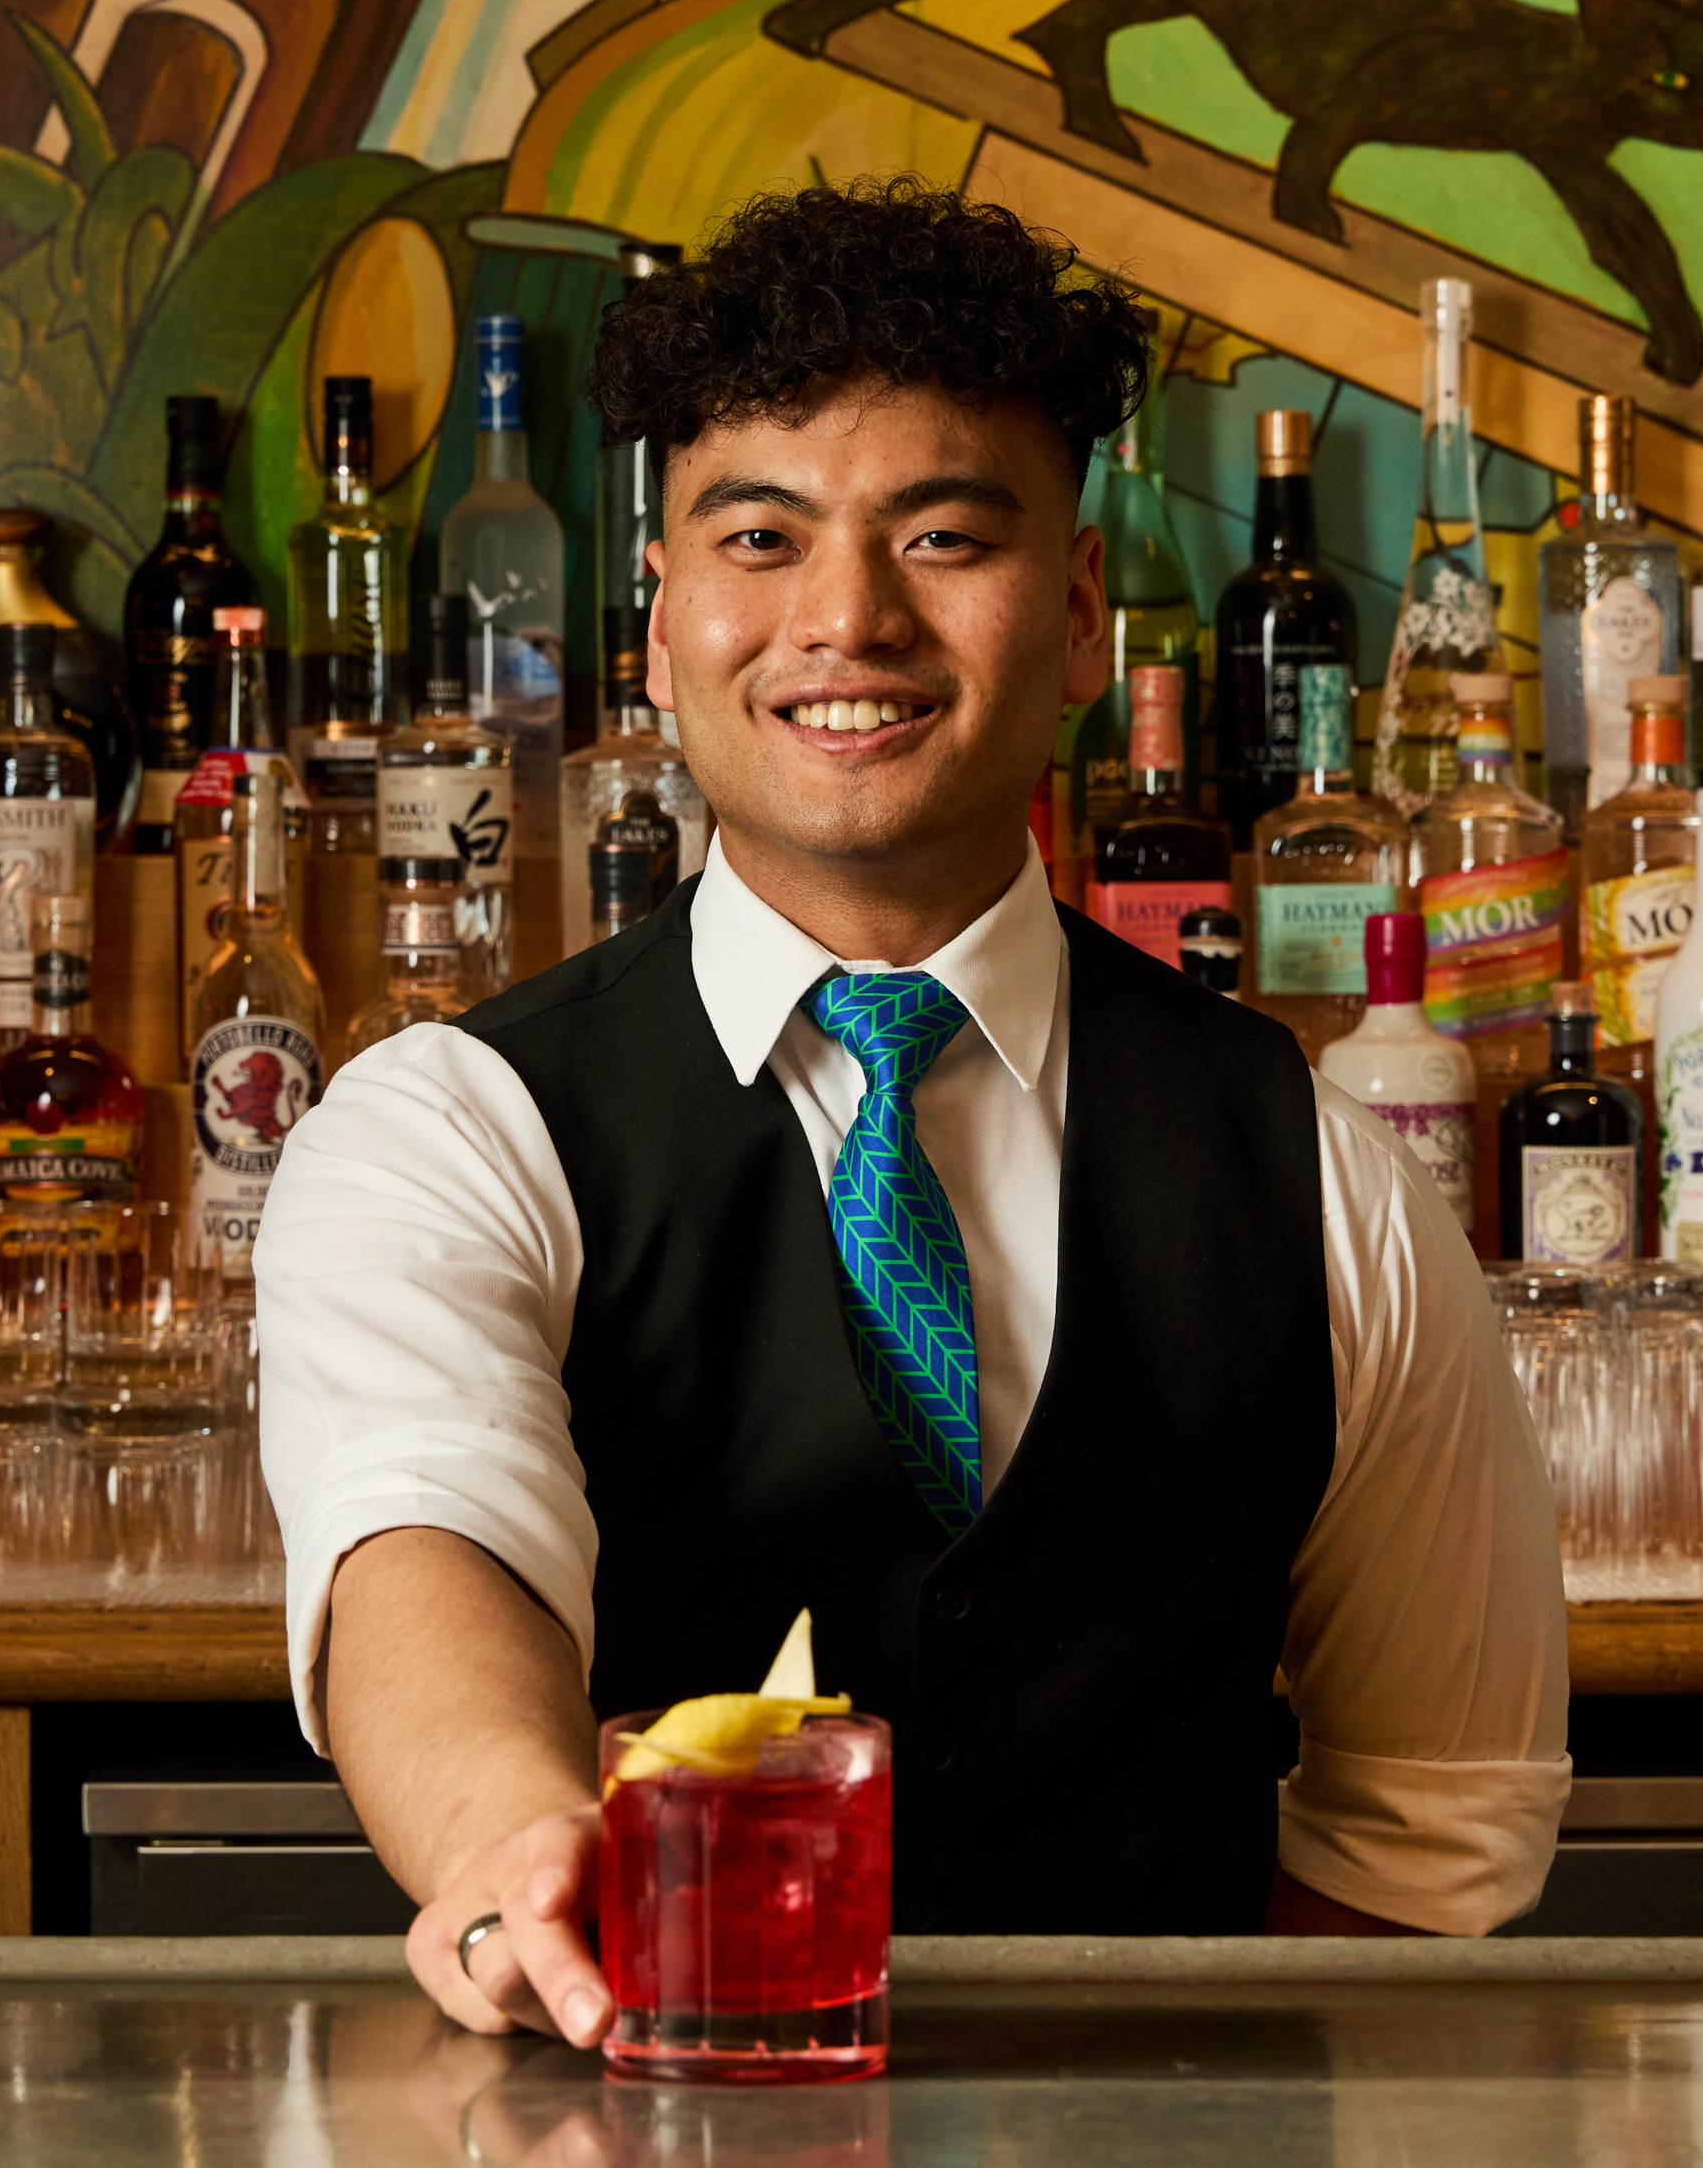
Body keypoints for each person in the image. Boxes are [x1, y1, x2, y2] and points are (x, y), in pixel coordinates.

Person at [257, 180, 1567, 2047]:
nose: (847, 617)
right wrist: (516, 1837)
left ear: (1087, 609)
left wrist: (1181, 2103)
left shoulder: (1319, 1173)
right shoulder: (447, 1133)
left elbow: (1435, 1807)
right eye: (763, 536)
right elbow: (424, 1536)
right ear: (660, 623)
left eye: (942, 535)